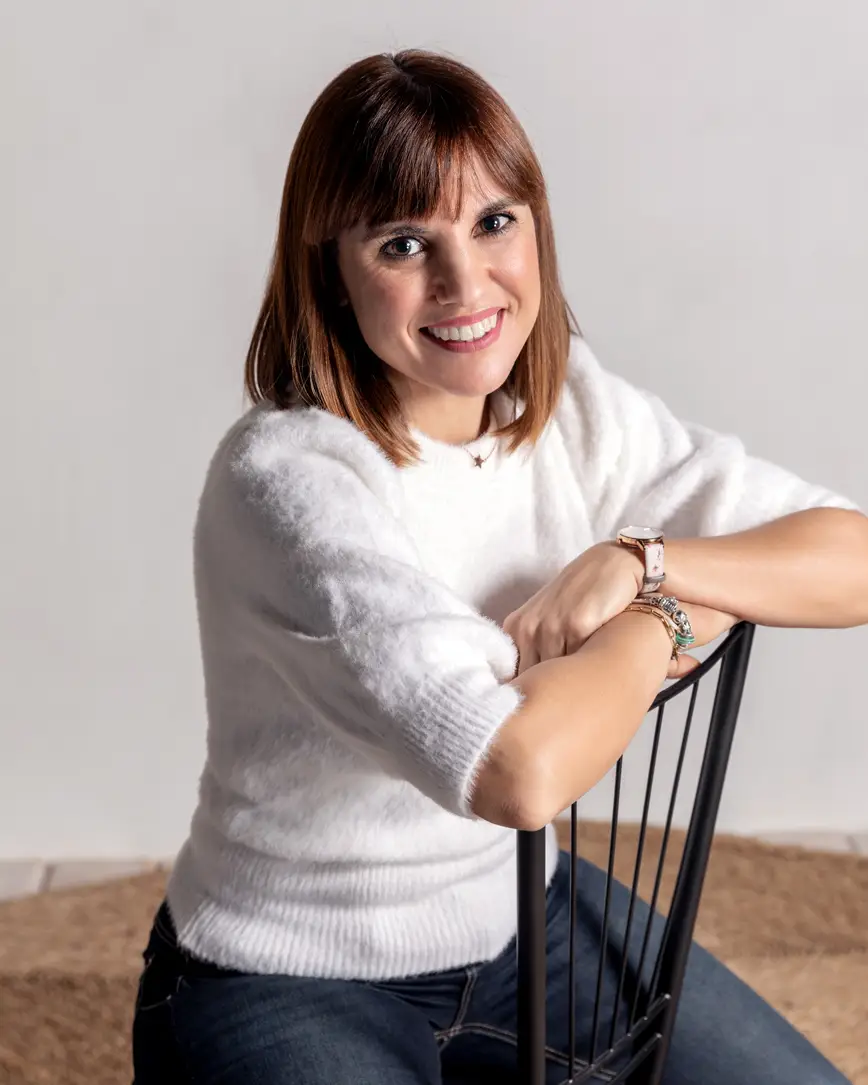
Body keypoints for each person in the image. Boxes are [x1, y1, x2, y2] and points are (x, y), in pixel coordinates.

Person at [131, 49, 866, 1085]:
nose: (465, 282)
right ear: (330, 269)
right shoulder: (290, 481)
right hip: (286, 971)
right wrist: (666, 613)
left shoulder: (567, 411)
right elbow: (517, 772)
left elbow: (850, 555)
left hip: (520, 917)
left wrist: (641, 558)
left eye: (493, 221)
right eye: (402, 242)